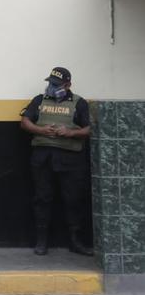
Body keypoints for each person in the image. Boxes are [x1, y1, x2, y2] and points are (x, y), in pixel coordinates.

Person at [19, 67, 94, 256]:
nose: (52, 87)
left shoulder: (79, 103)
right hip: (43, 158)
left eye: (56, 84)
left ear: (68, 85)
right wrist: (41, 130)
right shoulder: (39, 100)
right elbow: (25, 122)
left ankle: (76, 241)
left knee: (73, 200)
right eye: (51, 83)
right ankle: (41, 241)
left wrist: (70, 133)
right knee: (42, 199)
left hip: (71, 160)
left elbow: (89, 129)